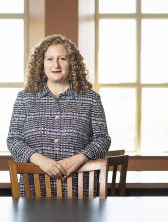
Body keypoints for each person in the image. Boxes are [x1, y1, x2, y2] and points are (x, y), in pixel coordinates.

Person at [7, 34, 111, 197]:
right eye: (49, 59)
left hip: (80, 190)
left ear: (72, 63)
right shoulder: (25, 98)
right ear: (41, 64)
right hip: (33, 191)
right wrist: (43, 162)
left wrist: (79, 159)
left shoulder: (91, 98)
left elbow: (103, 139)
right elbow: (13, 140)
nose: (55, 64)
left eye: (62, 58)